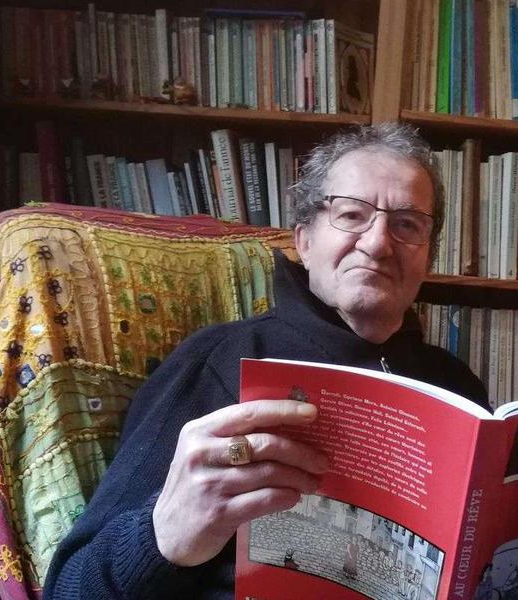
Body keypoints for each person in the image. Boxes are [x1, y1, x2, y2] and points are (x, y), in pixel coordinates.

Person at [43, 123, 488, 599]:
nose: (378, 243)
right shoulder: (216, 360)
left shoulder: (456, 386)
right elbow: (69, 589)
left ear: (427, 257)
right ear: (305, 241)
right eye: (352, 214)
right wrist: (162, 537)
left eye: (407, 224)